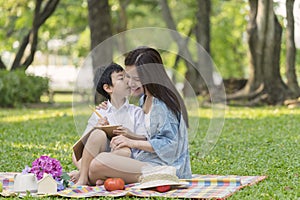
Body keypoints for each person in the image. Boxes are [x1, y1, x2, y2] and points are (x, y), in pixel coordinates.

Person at [85, 47, 191, 186]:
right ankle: (102, 176)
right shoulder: (145, 98)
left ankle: (161, 176)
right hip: (145, 160)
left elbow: (170, 145)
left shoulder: (161, 105)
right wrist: (130, 135)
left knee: (98, 165)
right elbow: (150, 136)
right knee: (96, 166)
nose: (130, 83)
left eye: (136, 78)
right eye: (128, 76)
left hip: (167, 165)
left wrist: (132, 142)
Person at [72, 63, 148, 185]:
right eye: (121, 78)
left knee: (124, 150)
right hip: (102, 157)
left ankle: (93, 175)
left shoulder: (136, 112)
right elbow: (81, 149)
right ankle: (84, 177)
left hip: (124, 160)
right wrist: (97, 127)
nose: (128, 81)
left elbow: (145, 138)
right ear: (108, 88)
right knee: (97, 134)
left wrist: (129, 135)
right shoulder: (100, 112)